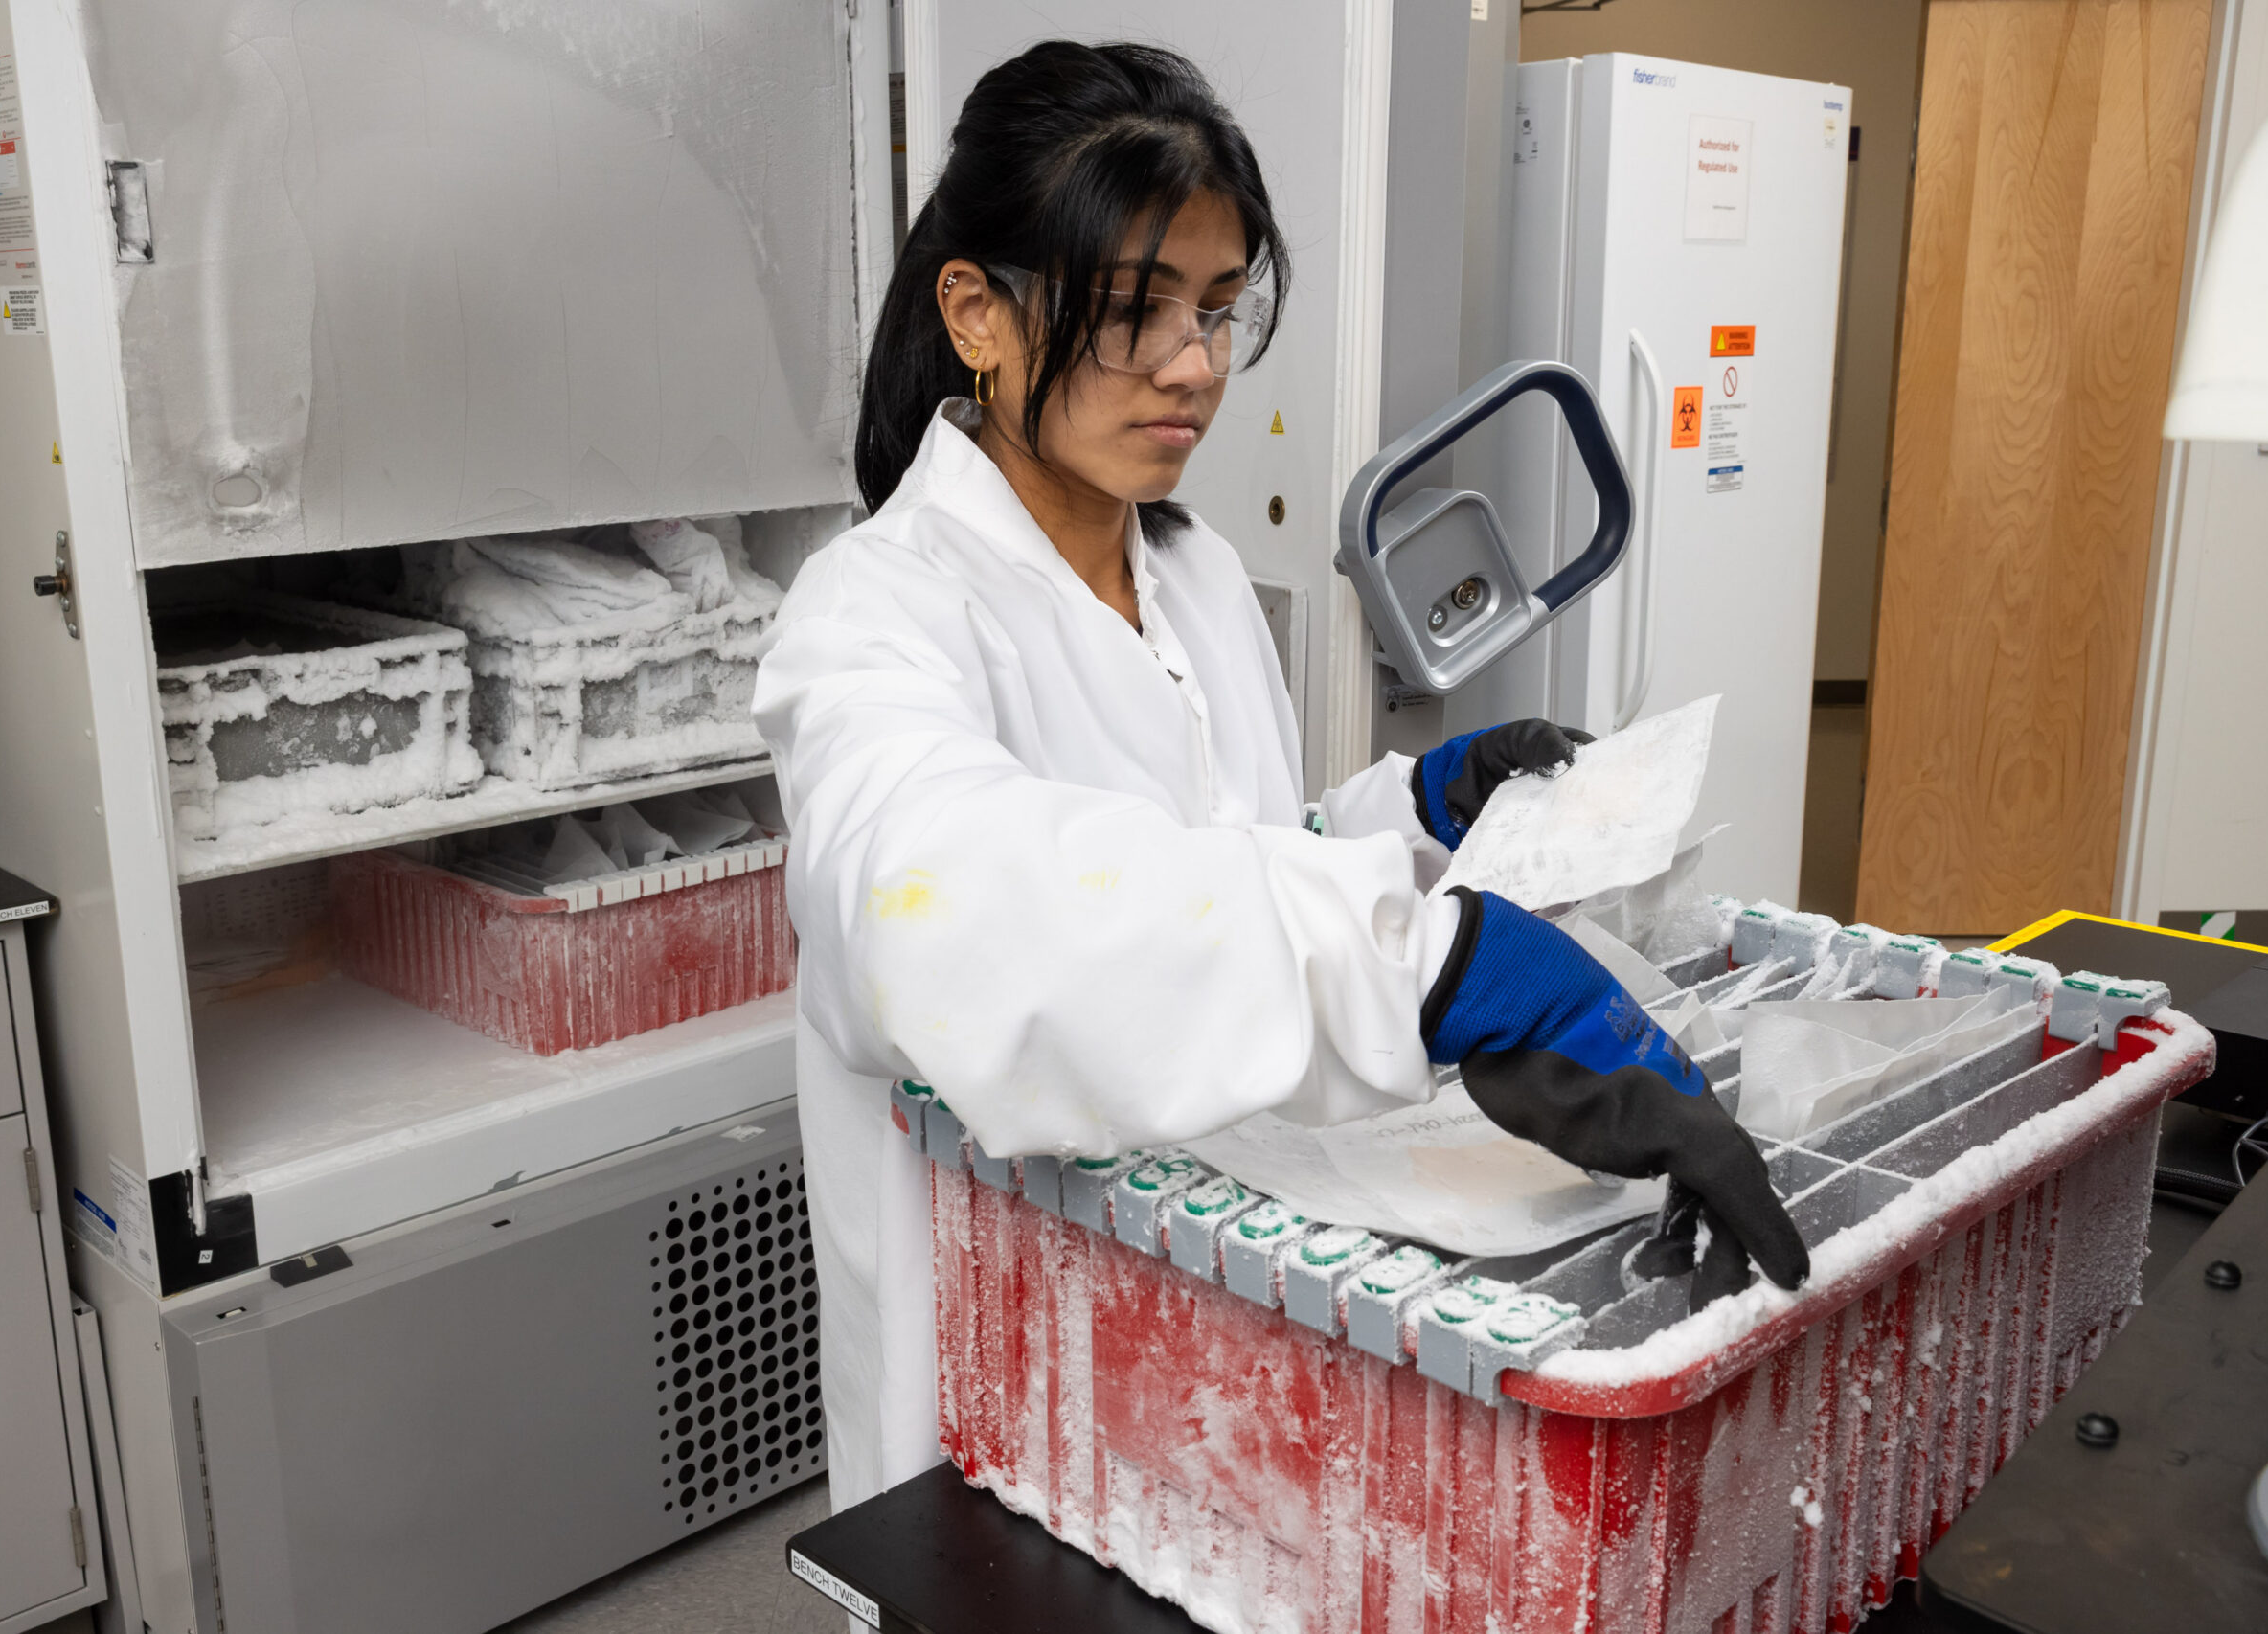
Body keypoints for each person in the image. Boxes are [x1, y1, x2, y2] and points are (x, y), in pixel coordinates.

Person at [752, 39, 1806, 1511]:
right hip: (1000, 1337)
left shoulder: (1195, 576)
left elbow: (1229, 850)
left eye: (1218, 309)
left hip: (1207, 1275)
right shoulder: (876, 612)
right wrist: (1425, 967)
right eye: (1133, 312)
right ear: (977, 313)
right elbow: (942, 914)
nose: (1193, 364)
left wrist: (1413, 809)